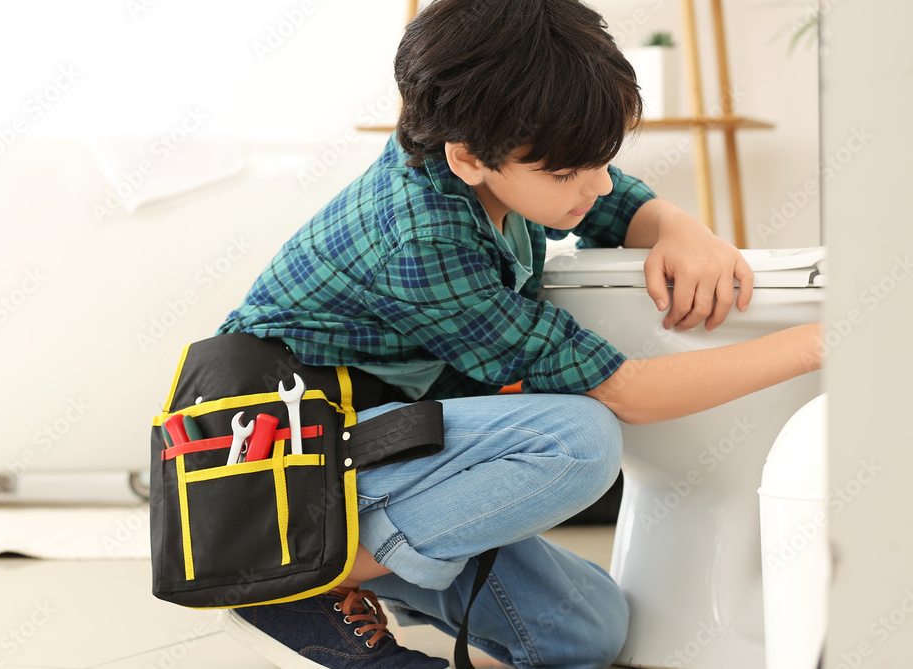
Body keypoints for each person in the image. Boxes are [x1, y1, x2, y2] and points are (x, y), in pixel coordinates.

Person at [218, 0, 823, 667]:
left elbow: (616, 199)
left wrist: (679, 224)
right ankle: (305, 581)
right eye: (568, 173)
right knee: (580, 438)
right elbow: (629, 393)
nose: (594, 184)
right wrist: (825, 342)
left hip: (392, 448)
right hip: (292, 464)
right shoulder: (422, 236)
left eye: (601, 158)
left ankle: (395, 566)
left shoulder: (486, 151)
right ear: (471, 157)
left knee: (588, 631)